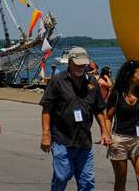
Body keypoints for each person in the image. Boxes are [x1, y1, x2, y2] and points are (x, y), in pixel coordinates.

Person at [41, 46, 110, 191]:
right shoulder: (58, 80)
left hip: (84, 140)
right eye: (78, 64)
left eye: (84, 64)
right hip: (62, 139)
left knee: (87, 181)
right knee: (62, 176)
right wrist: (45, 135)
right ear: (70, 62)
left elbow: (98, 109)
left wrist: (104, 131)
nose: (81, 67)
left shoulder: (92, 82)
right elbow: (47, 109)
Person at [106, 59, 139, 191]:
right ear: (129, 75)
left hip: (138, 140)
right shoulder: (116, 94)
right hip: (119, 140)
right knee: (121, 180)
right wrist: (107, 135)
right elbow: (108, 117)